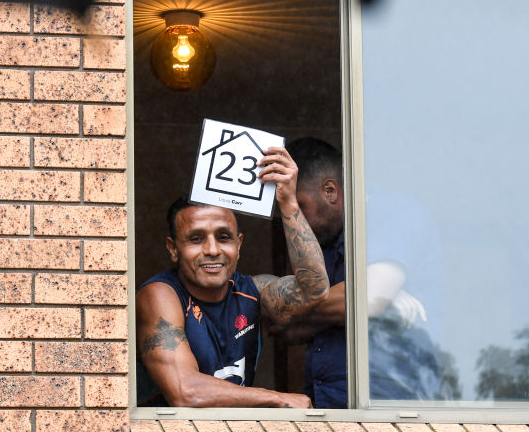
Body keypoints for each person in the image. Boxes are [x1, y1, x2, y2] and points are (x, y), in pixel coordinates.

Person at [136, 146, 329, 408]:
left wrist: (288, 202)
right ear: (173, 249)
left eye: (224, 237)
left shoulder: (253, 290)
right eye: (196, 239)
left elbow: (314, 291)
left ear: (239, 245)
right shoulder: (160, 294)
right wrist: (276, 398)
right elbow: (186, 391)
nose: (213, 250)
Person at [279, 137, 430, 408]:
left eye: (300, 207)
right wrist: (362, 298)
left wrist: (361, 299)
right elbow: (283, 327)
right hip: (328, 404)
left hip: (389, 411)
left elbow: (368, 301)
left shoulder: (393, 212)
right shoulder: (321, 243)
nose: (295, 223)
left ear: (330, 192)